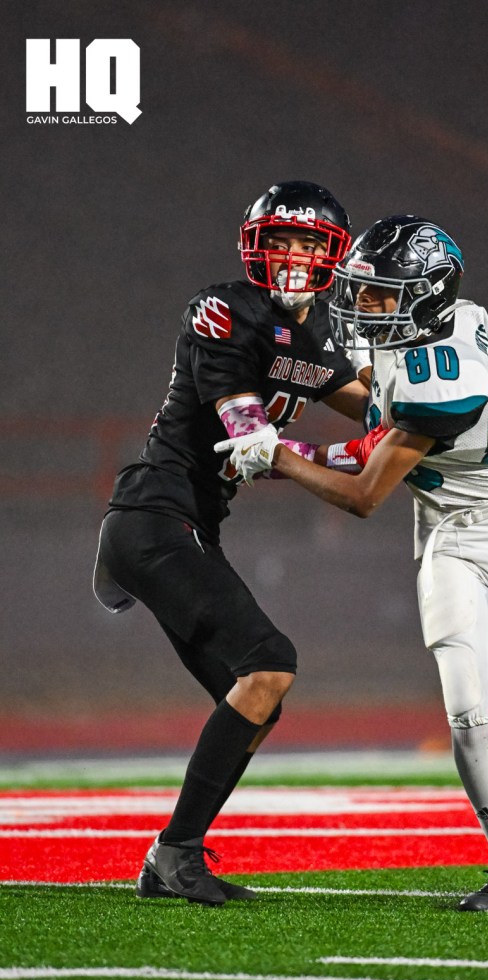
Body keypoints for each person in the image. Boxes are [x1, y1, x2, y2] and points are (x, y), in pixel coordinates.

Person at [220, 214, 488, 912]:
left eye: (380, 296)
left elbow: (365, 491)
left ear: (426, 296)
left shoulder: (446, 381)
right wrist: (282, 399)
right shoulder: (443, 324)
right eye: (365, 291)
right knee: (465, 711)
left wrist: (281, 457)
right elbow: (372, 418)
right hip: (448, 534)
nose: (361, 307)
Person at [93, 181, 372, 906]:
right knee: (269, 662)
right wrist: (270, 440)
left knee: (257, 697)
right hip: (154, 514)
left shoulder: (314, 341)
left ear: (332, 253)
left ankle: (171, 858)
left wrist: (436, 410)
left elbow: (373, 414)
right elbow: (240, 421)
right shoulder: (223, 308)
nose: (294, 254)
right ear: (256, 246)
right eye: (282, 239)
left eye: (310, 242)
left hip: (190, 524)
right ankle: (176, 854)